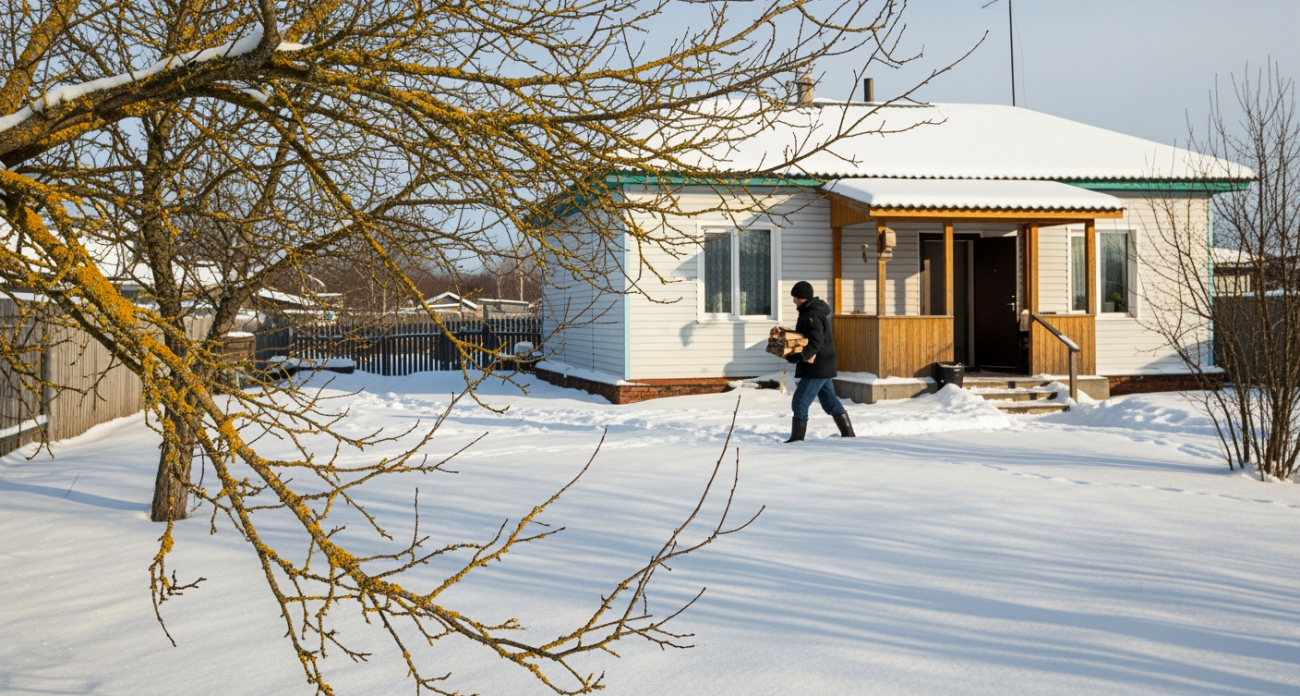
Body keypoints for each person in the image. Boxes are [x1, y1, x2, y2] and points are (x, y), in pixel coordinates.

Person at [785, 281, 855, 442]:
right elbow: (806, 338)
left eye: (796, 297)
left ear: (804, 297)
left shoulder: (812, 315)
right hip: (822, 366)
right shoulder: (810, 312)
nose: (794, 300)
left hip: (816, 367)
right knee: (830, 402)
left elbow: (816, 342)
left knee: (800, 402)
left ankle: (797, 440)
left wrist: (800, 356)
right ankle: (849, 435)